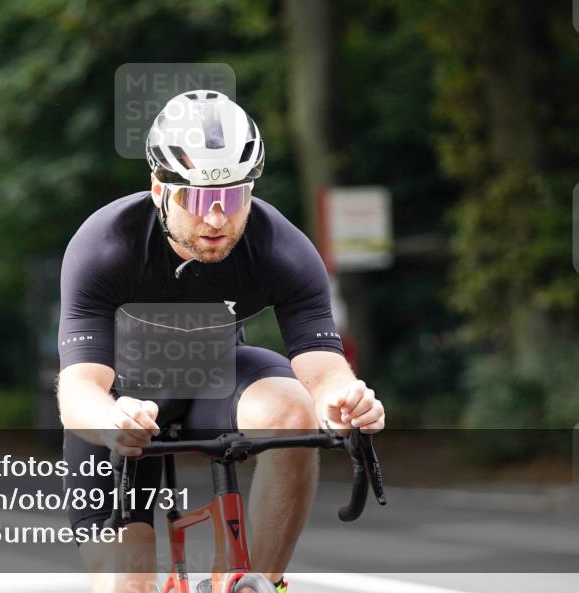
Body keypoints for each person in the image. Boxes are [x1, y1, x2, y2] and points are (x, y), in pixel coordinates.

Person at [56, 90, 386, 593]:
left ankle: (259, 583)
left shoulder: (280, 247)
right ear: (159, 188)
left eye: (232, 197)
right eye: (196, 198)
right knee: (128, 581)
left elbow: (323, 368)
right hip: (121, 402)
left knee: (293, 410)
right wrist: (110, 421)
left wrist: (342, 400)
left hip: (213, 378)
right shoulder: (105, 246)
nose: (215, 219)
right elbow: (79, 387)